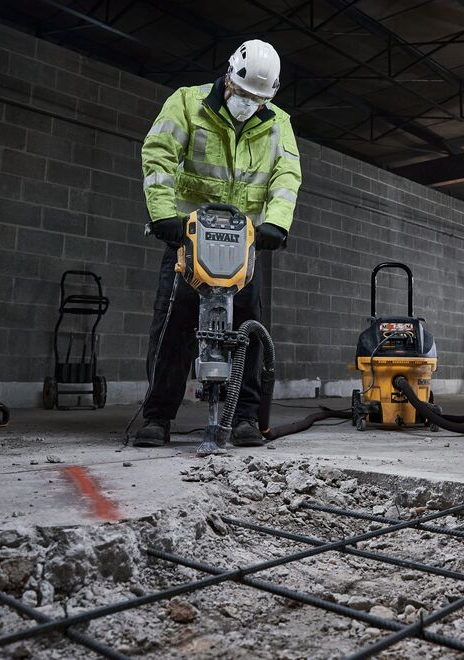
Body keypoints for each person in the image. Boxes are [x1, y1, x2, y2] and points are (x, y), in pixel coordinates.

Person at [135, 39, 301, 448]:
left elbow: (286, 175)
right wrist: (163, 216)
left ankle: (243, 418)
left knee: (247, 329)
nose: (248, 104)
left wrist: (276, 224)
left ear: (270, 96)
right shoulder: (187, 103)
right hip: (187, 241)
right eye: (243, 94)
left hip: (244, 245)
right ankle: (157, 417)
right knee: (173, 326)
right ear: (228, 77)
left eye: (258, 100)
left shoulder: (278, 122)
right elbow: (158, 154)